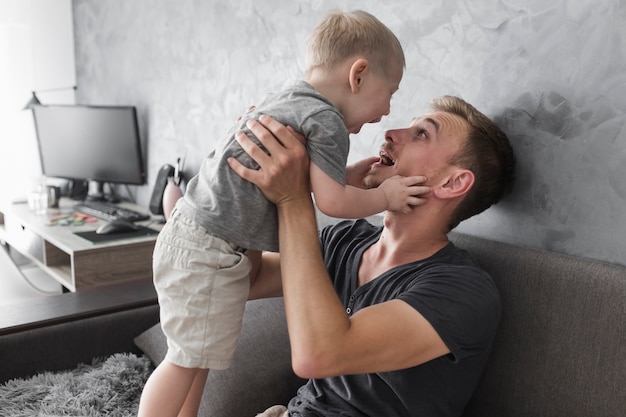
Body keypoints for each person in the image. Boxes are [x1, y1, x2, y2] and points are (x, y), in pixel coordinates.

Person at [138, 10, 429, 417]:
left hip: (198, 238)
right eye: (390, 93)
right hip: (210, 247)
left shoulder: (291, 100)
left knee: (196, 358)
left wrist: (346, 177)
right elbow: (330, 203)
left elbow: (313, 182)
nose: (386, 111)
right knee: (183, 362)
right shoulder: (327, 120)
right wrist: (388, 197)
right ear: (358, 75)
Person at [228, 95, 516, 417]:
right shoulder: (344, 239)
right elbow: (245, 281)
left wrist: (292, 195)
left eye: (422, 134)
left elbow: (318, 354)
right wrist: (252, 183)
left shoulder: (463, 291)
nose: (391, 133)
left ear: (453, 182)